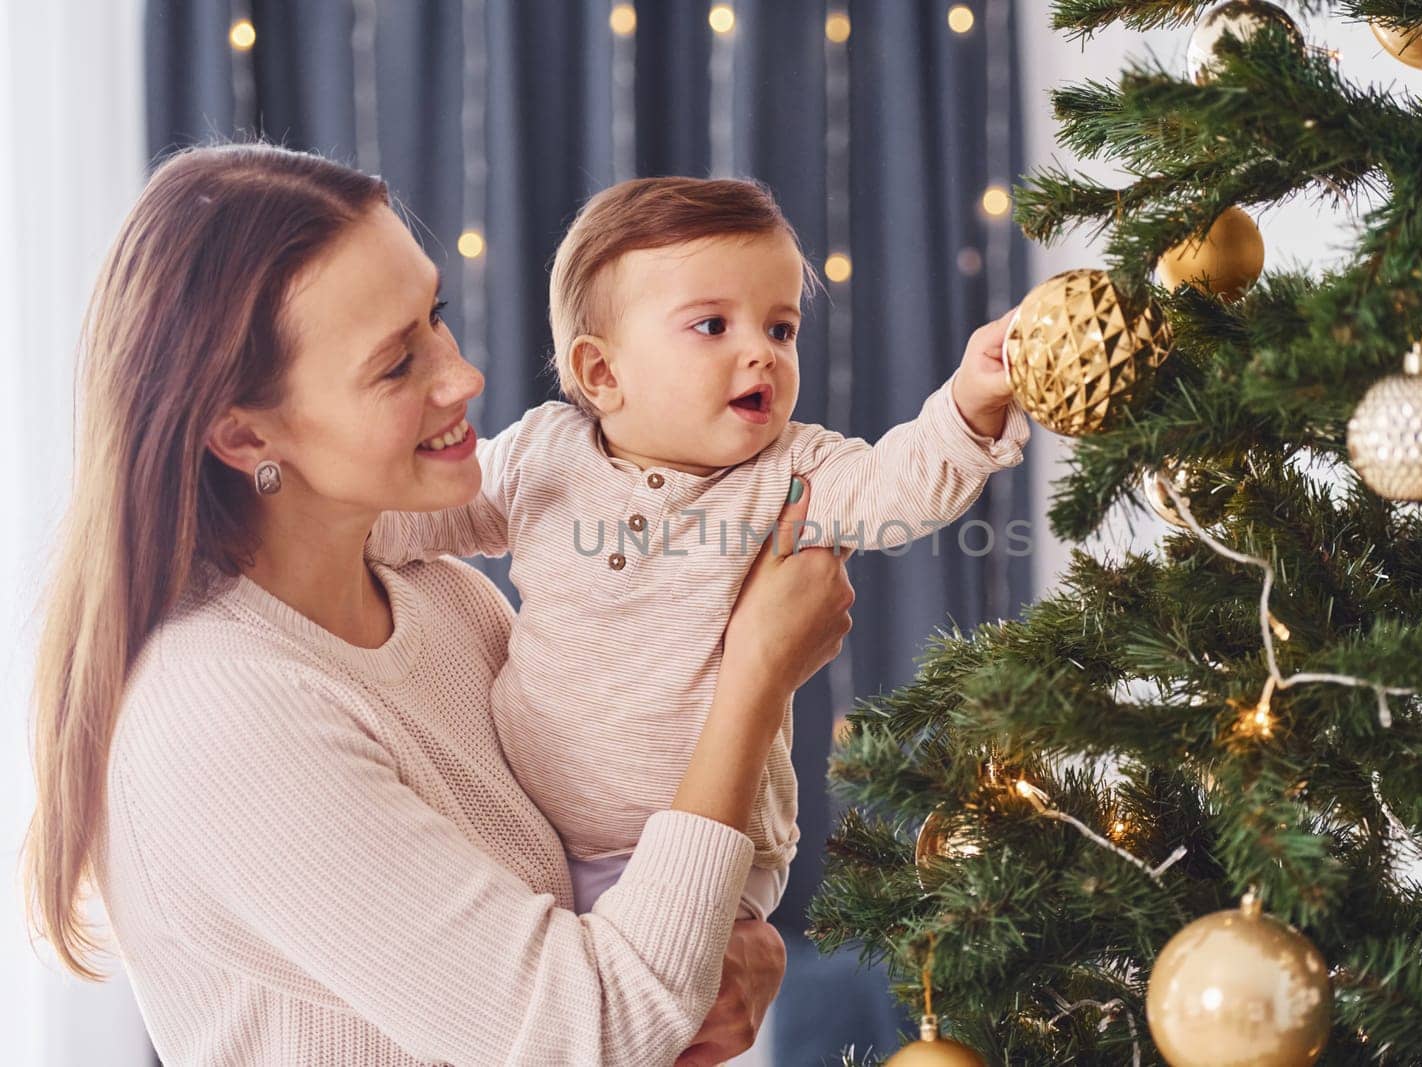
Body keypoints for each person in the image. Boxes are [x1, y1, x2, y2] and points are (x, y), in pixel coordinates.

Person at [21, 144, 855, 1066]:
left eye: (436, 317)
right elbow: (595, 1029)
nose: (461, 377)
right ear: (244, 434)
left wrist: (730, 954)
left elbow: (619, 943)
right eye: (394, 365)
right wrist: (754, 676)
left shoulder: (438, 597)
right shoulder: (221, 710)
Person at [369, 176, 1029, 920]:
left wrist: (970, 407)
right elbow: (409, 516)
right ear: (602, 372)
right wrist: (318, 509)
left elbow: (897, 487)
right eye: (713, 326)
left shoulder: (791, 471)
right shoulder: (539, 457)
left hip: (717, 850)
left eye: (781, 329)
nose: (763, 354)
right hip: (539, 839)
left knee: (663, 1015)